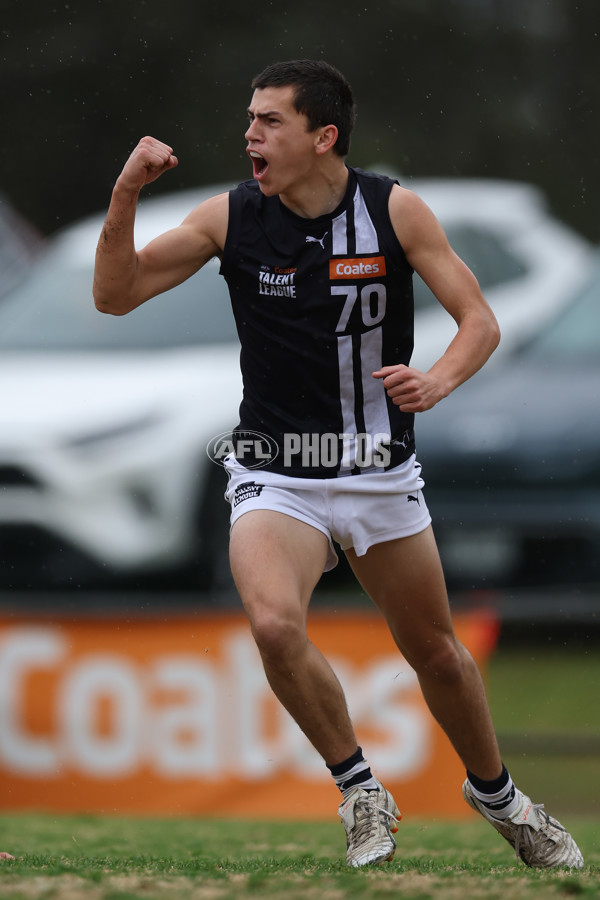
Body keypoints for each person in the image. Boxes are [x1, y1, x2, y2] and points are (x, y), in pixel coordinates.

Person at [93, 59, 583, 870]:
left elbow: (479, 322)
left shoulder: (395, 210)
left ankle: (499, 796)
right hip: (277, 472)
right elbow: (116, 295)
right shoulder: (232, 218)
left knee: (436, 655)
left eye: (270, 121)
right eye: (249, 118)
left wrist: (439, 378)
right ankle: (359, 787)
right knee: (275, 624)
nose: (250, 134)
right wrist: (125, 194)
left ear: (323, 137)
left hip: (380, 473)